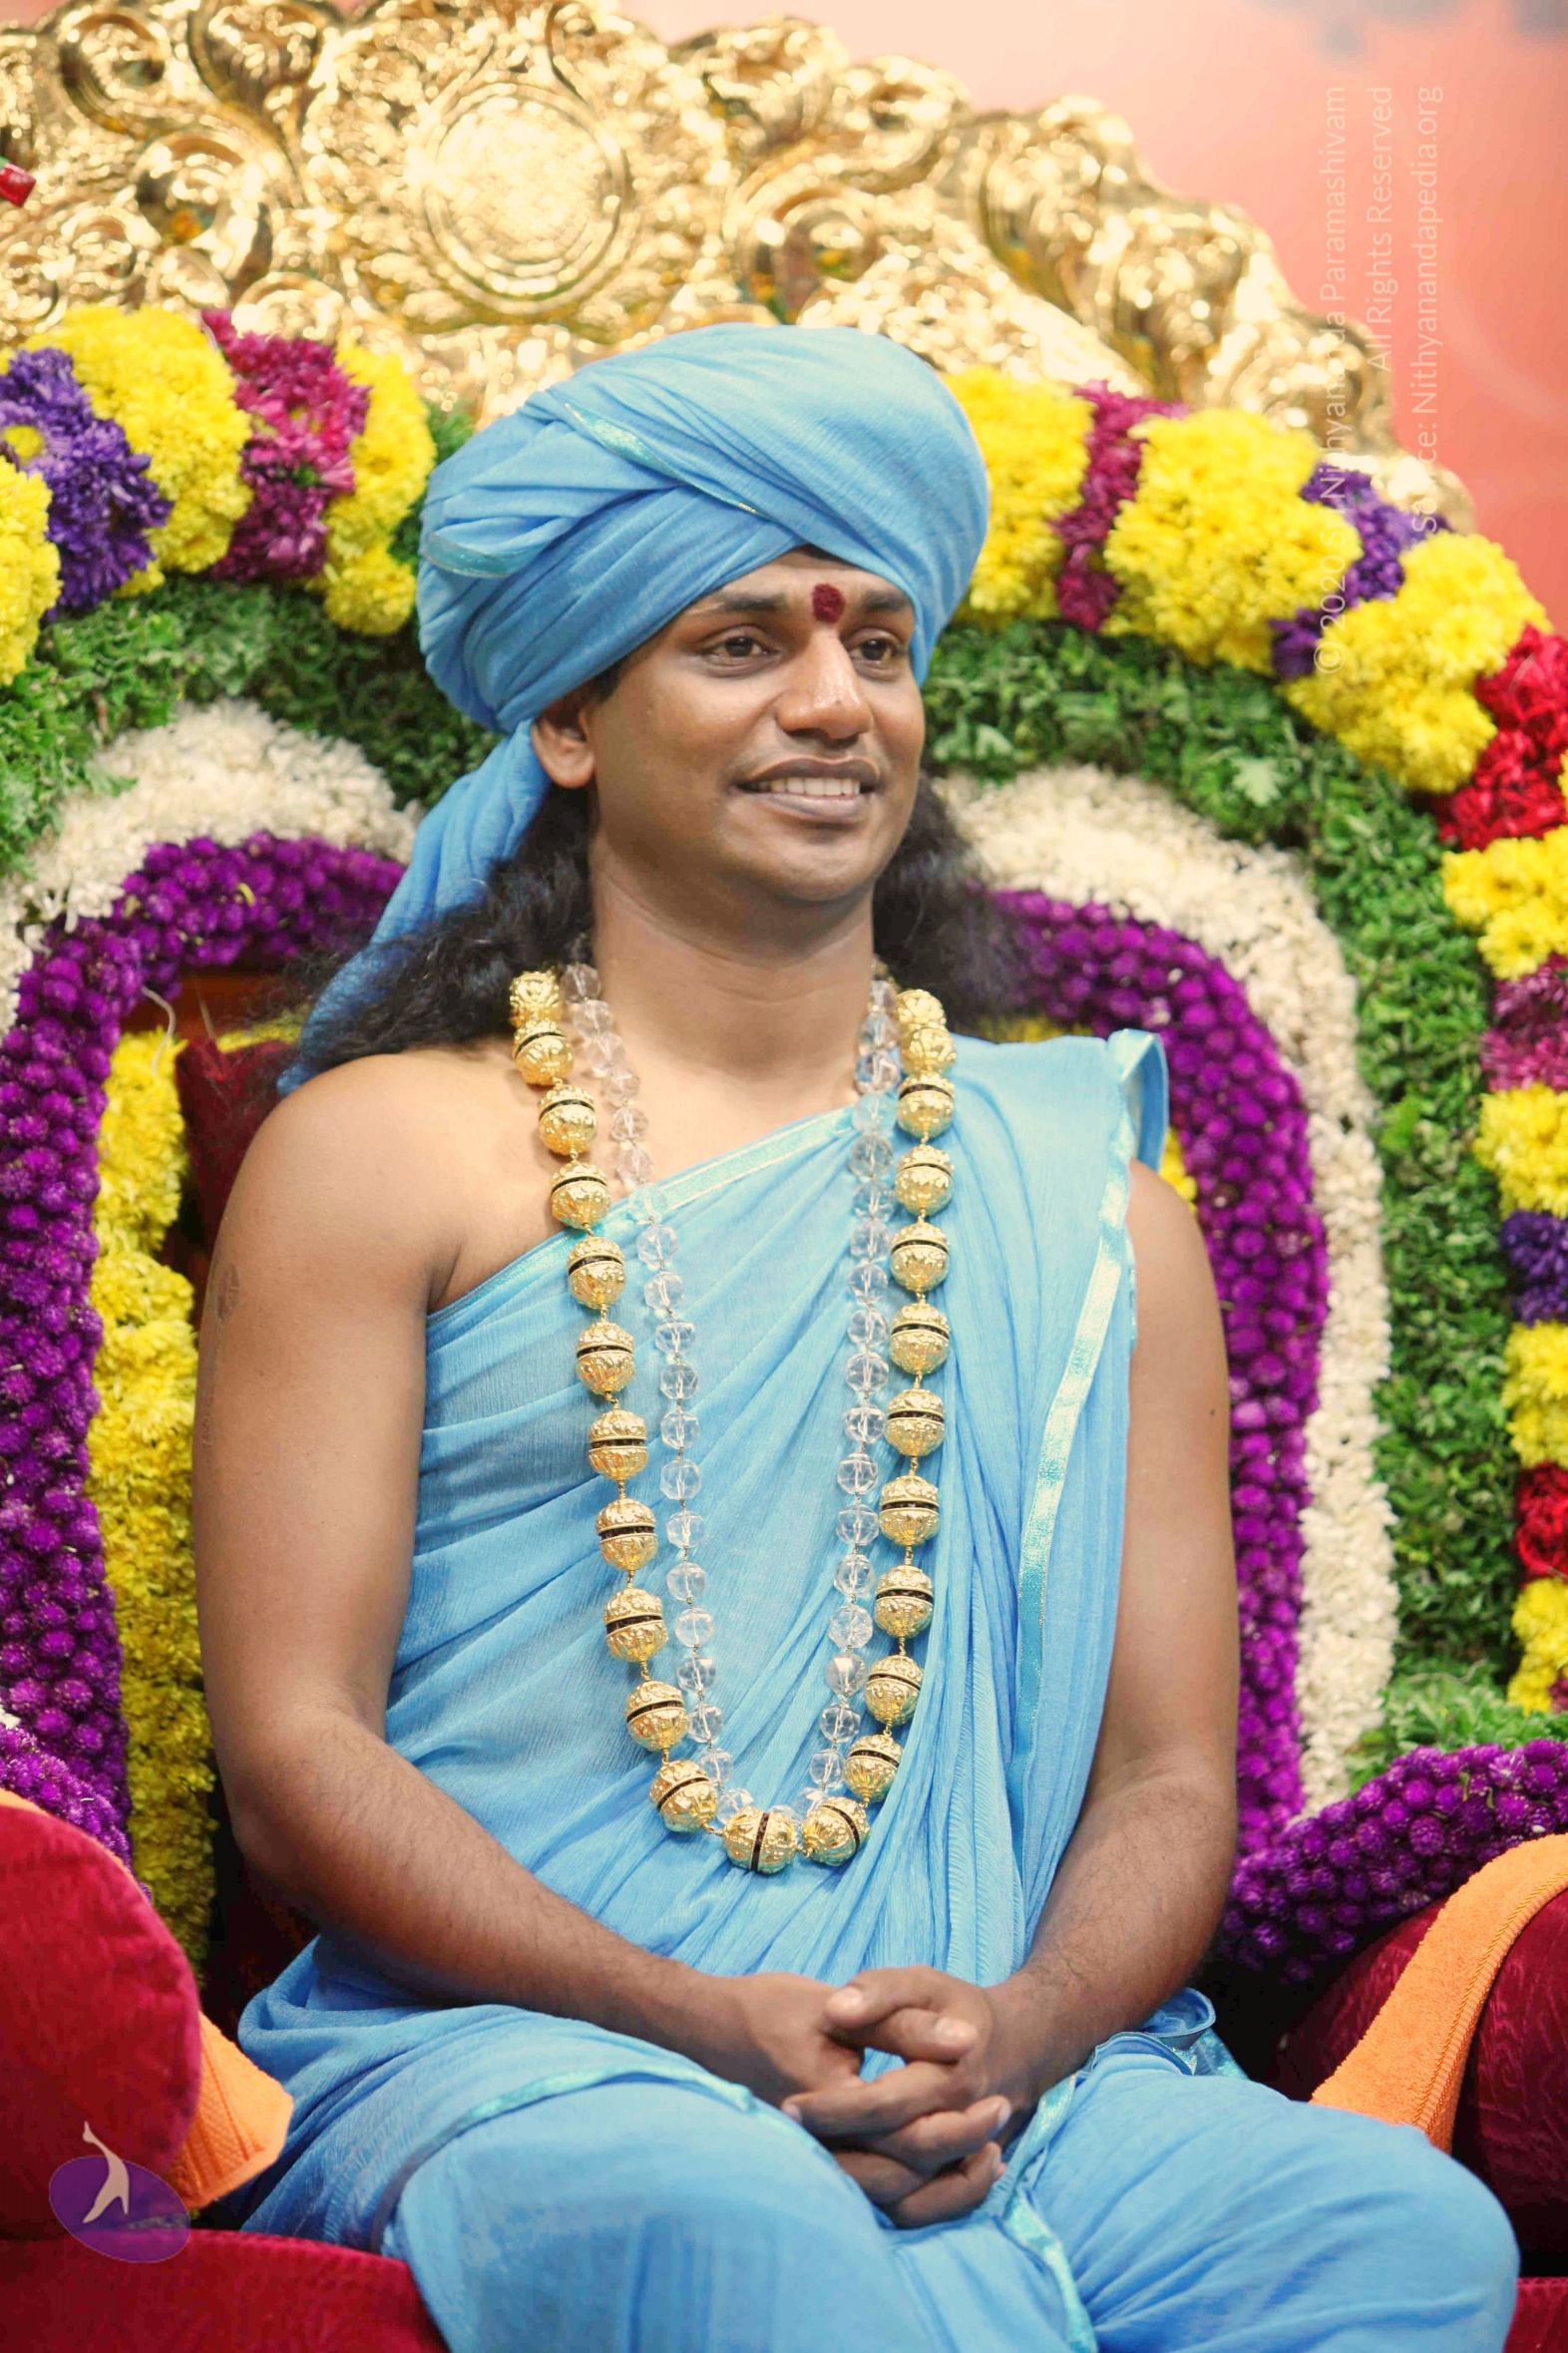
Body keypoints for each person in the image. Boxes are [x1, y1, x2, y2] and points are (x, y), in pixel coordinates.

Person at [196, 324, 1516, 2352]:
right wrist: (695, 2019)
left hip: (1010, 2079)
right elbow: (297, 1754)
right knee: (727, 2224)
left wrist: (1023, 2030)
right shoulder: (382, 1157)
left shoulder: (1093, 1199)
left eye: (877, 645)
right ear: (570, 716)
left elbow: (1170, 1772)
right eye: (741, 644)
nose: (834, 703)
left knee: (1390, 2234)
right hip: (528, 2051)